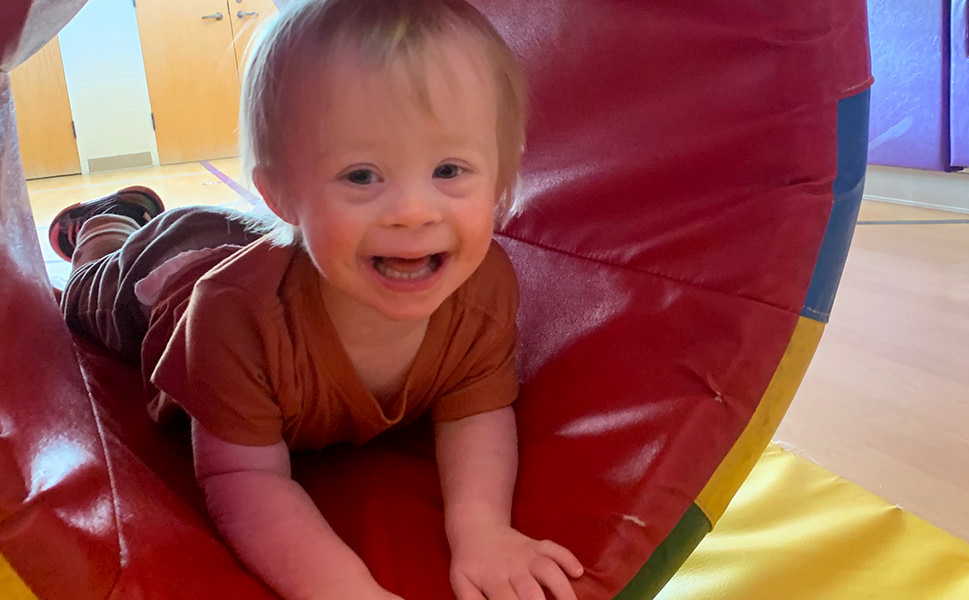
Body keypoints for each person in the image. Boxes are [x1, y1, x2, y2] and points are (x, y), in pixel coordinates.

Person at [49, 0, 584, 598]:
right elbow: (242, 475)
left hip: (277, 242)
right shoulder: (234, 321)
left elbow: (475, 408)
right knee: (79, 295)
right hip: (163, 275)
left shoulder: (482, 288)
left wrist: (483, 533)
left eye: (450, 169)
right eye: (361, 175)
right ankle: (109, 221)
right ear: (280, 193)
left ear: (504, 179)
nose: (413, 211)